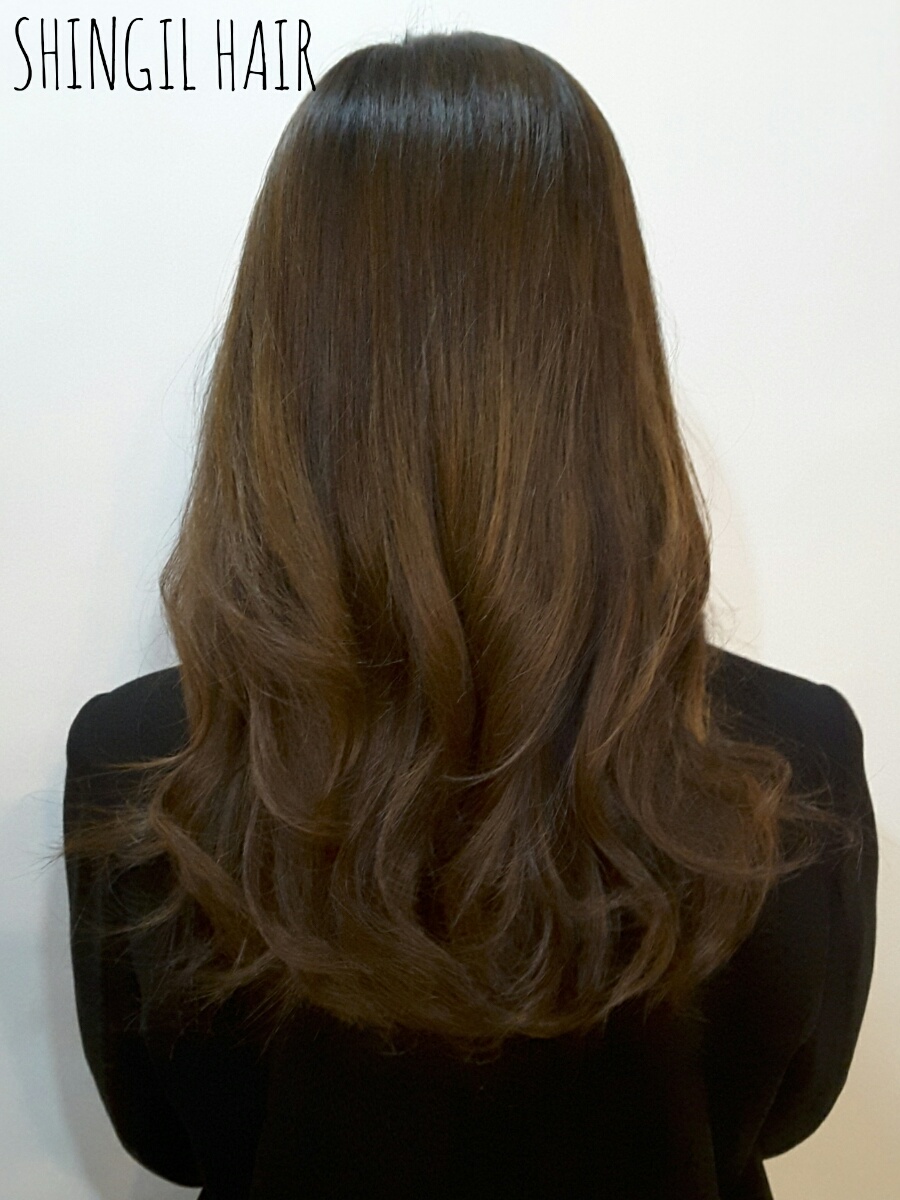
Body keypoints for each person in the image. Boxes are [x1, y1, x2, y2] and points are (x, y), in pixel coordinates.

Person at [58, 29, 878, 1200]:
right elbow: (788, 1107)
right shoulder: (785, 765)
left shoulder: (147, 771)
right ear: (604, 343)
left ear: (284, 350)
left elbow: (165, 1136)